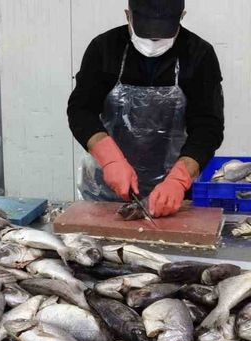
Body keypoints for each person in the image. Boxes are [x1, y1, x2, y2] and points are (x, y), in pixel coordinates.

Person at [68, 0, 224, 217]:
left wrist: (179, 180)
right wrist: (110, 159)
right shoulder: (104, 48)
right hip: (105, 189)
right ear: (127, 15)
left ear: (182, 16)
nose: (153, 41)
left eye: (163, 33)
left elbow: (208, 127)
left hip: (173, 195)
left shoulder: (199, 54)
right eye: (146, 32)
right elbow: (81, 110)